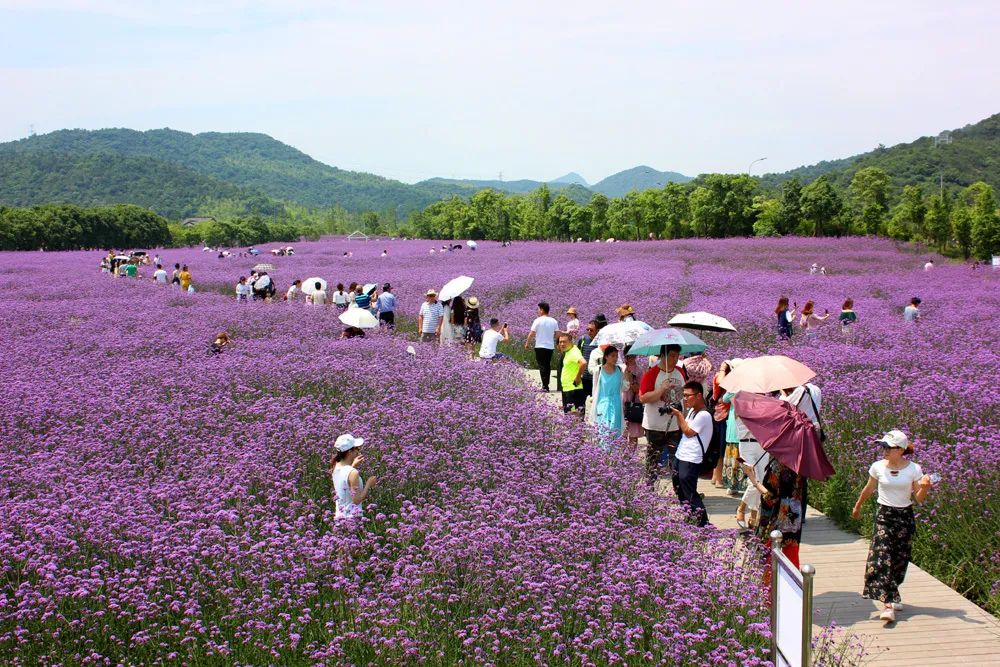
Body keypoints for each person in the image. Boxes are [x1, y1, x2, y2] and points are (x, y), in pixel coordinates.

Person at [852, 430, 934, 622]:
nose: (884, 450)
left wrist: (925, 487)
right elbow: (869, 488)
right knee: (881, 557)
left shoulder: (914, 469)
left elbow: (918, 499)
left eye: (889, 447)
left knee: (899, 559)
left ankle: (892, 590)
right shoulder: (877, 467)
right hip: (884, 515)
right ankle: (888, 604)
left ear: (901, 449)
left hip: (904, 516)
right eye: (883, 446)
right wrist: (857, 506)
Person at [639, 344, 684, 486]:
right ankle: (649, 489)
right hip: (655, 425)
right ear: (663, 356)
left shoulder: (680, 372)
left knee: (676, 460)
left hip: (675, 424)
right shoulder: (651, 373)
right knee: (653, 459)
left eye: (677, 356)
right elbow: (643, 398)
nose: (675, 359)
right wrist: (661, 390)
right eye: (672, 356)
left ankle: (679, 491)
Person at [669, 381, 713, 526]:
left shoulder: (704, 415)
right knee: (679, 488)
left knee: (689, 491)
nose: (685, 399)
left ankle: (703, 524)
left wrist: (678, 415)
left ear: (699, 395)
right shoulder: (693, 412)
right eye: (684, 395)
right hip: (681, 455)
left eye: (688, 396)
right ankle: (689, 517)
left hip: (691, 458)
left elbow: (688, 432)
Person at [755, 457, 807, 568]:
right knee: (791, 553)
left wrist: (753, 479)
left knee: (768, 553)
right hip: (794, 513)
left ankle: (769, 584)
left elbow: (770, 498)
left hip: (777, 514)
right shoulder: (799, 463)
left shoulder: (777, 465)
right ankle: (793, 583)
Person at [329, 433, 377, 520]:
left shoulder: (335, 466)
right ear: (350, 452)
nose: (358, 451)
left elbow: (344, 480)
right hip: (352, 519)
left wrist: (353, 466)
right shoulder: (353, 473)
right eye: (357, 449)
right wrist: (368, 484)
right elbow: (356, 500)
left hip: (339, 517)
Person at [592, 346, 624, 451]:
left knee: (615, 429)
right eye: (612, 356)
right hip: (603, 403)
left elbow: (625, 387)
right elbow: (595, 388)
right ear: (606, 356)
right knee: (604, 431)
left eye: (616, 356)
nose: (615, 358)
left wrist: (627, 376)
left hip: (616, 403)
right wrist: (594, 406)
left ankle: (613, 457)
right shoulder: (599, 370)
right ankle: (603, 457)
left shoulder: (620, 370)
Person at [525, 302, 558, 392]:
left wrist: (527, 343)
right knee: (547, 365)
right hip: (550, 347)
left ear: (542, 310)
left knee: (542, 365)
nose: (538, 311)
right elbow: (557, 334)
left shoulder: (537, 320)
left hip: (540, 346)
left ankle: (545, 386)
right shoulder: (554, 321)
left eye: (538, 309)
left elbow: (532, 333)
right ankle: (546, 384)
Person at [557, 332, 587, 416]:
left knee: (574, 418)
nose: (562, 344)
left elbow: (583, 363)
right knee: (569, 417)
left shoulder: (574, 352)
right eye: (560, 342)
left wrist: (577, 378)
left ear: (571, 342)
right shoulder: (568, 351)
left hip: (573, 390)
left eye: (564, 342)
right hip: (568, 389)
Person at [622, 349, 645, 449]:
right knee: (622, 431)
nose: (630, 358)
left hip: (634, 400)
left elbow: (639, 388)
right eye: (628, 356)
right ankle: (619, 457)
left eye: (633, 356)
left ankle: (630, 458)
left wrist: (630, 378)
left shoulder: (639, 370)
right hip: (622, 399)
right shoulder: (621, 368)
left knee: (633, 432)